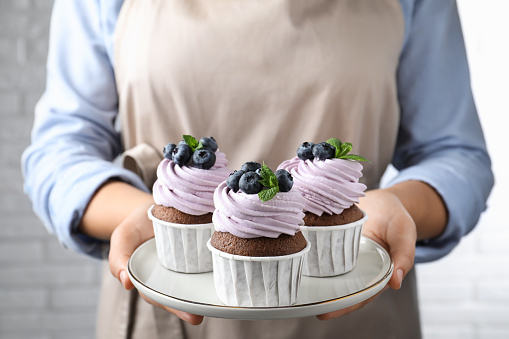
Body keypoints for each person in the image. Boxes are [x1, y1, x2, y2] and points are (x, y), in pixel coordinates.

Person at [22, 0, 494, 338]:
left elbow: (457, 153)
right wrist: (142, 214)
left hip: (355, 305)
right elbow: (61, 149)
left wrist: (396, 205)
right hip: (163, 306)